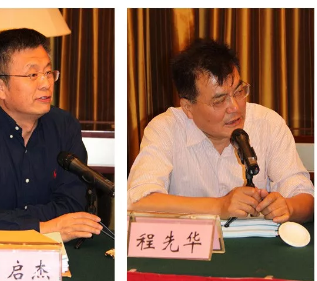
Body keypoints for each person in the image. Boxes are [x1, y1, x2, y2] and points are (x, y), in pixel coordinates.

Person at [0, 28, 103, 242]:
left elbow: (73, 205)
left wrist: (2, 221)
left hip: (59, 252)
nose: (46, 83)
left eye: (48, 72)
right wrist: (41, 228)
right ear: (0, 86)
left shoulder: (64, 126)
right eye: (33, 75)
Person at [127, 39, 314, 224]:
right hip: (192, 242)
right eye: (219, 100)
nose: (234, 107)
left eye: (239, 92)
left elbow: (306, 197)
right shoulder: (165, 129)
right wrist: (219, 206)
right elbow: (138, 202)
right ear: (187, 107)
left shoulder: (267, 124)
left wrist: (288, 207)